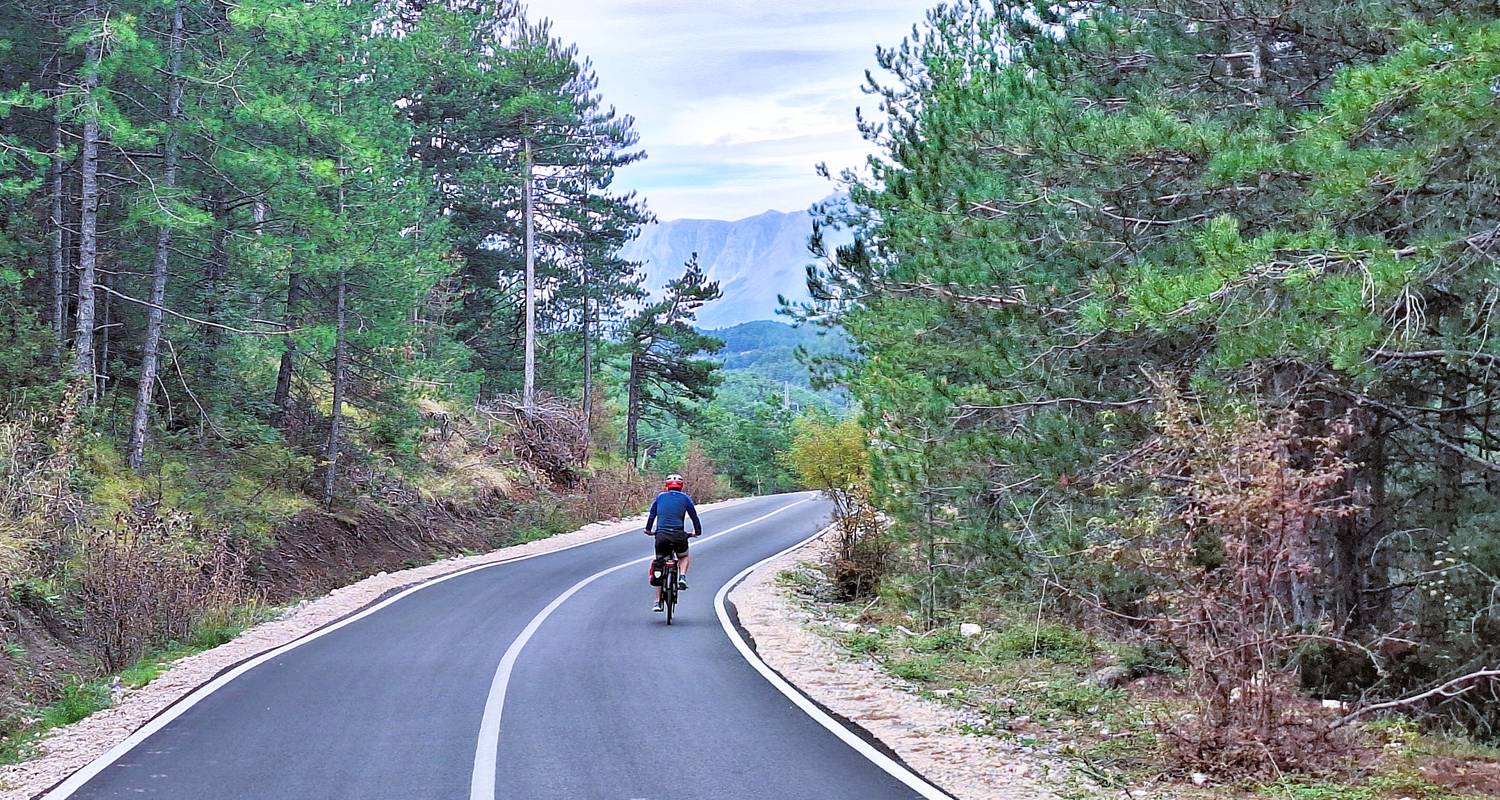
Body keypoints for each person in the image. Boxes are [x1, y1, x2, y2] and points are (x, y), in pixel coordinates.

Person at [644, 473, 702, 612]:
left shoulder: (660, 497)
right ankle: (682, 576)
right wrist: (697, 532)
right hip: (678, 535)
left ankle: (657, 602)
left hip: (661, 536)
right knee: (683, 556)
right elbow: (694, 517)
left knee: (659, 564)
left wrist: (648, 529)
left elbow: (652, 515)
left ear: (667, 486)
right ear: (681, 486)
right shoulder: (686, 498)